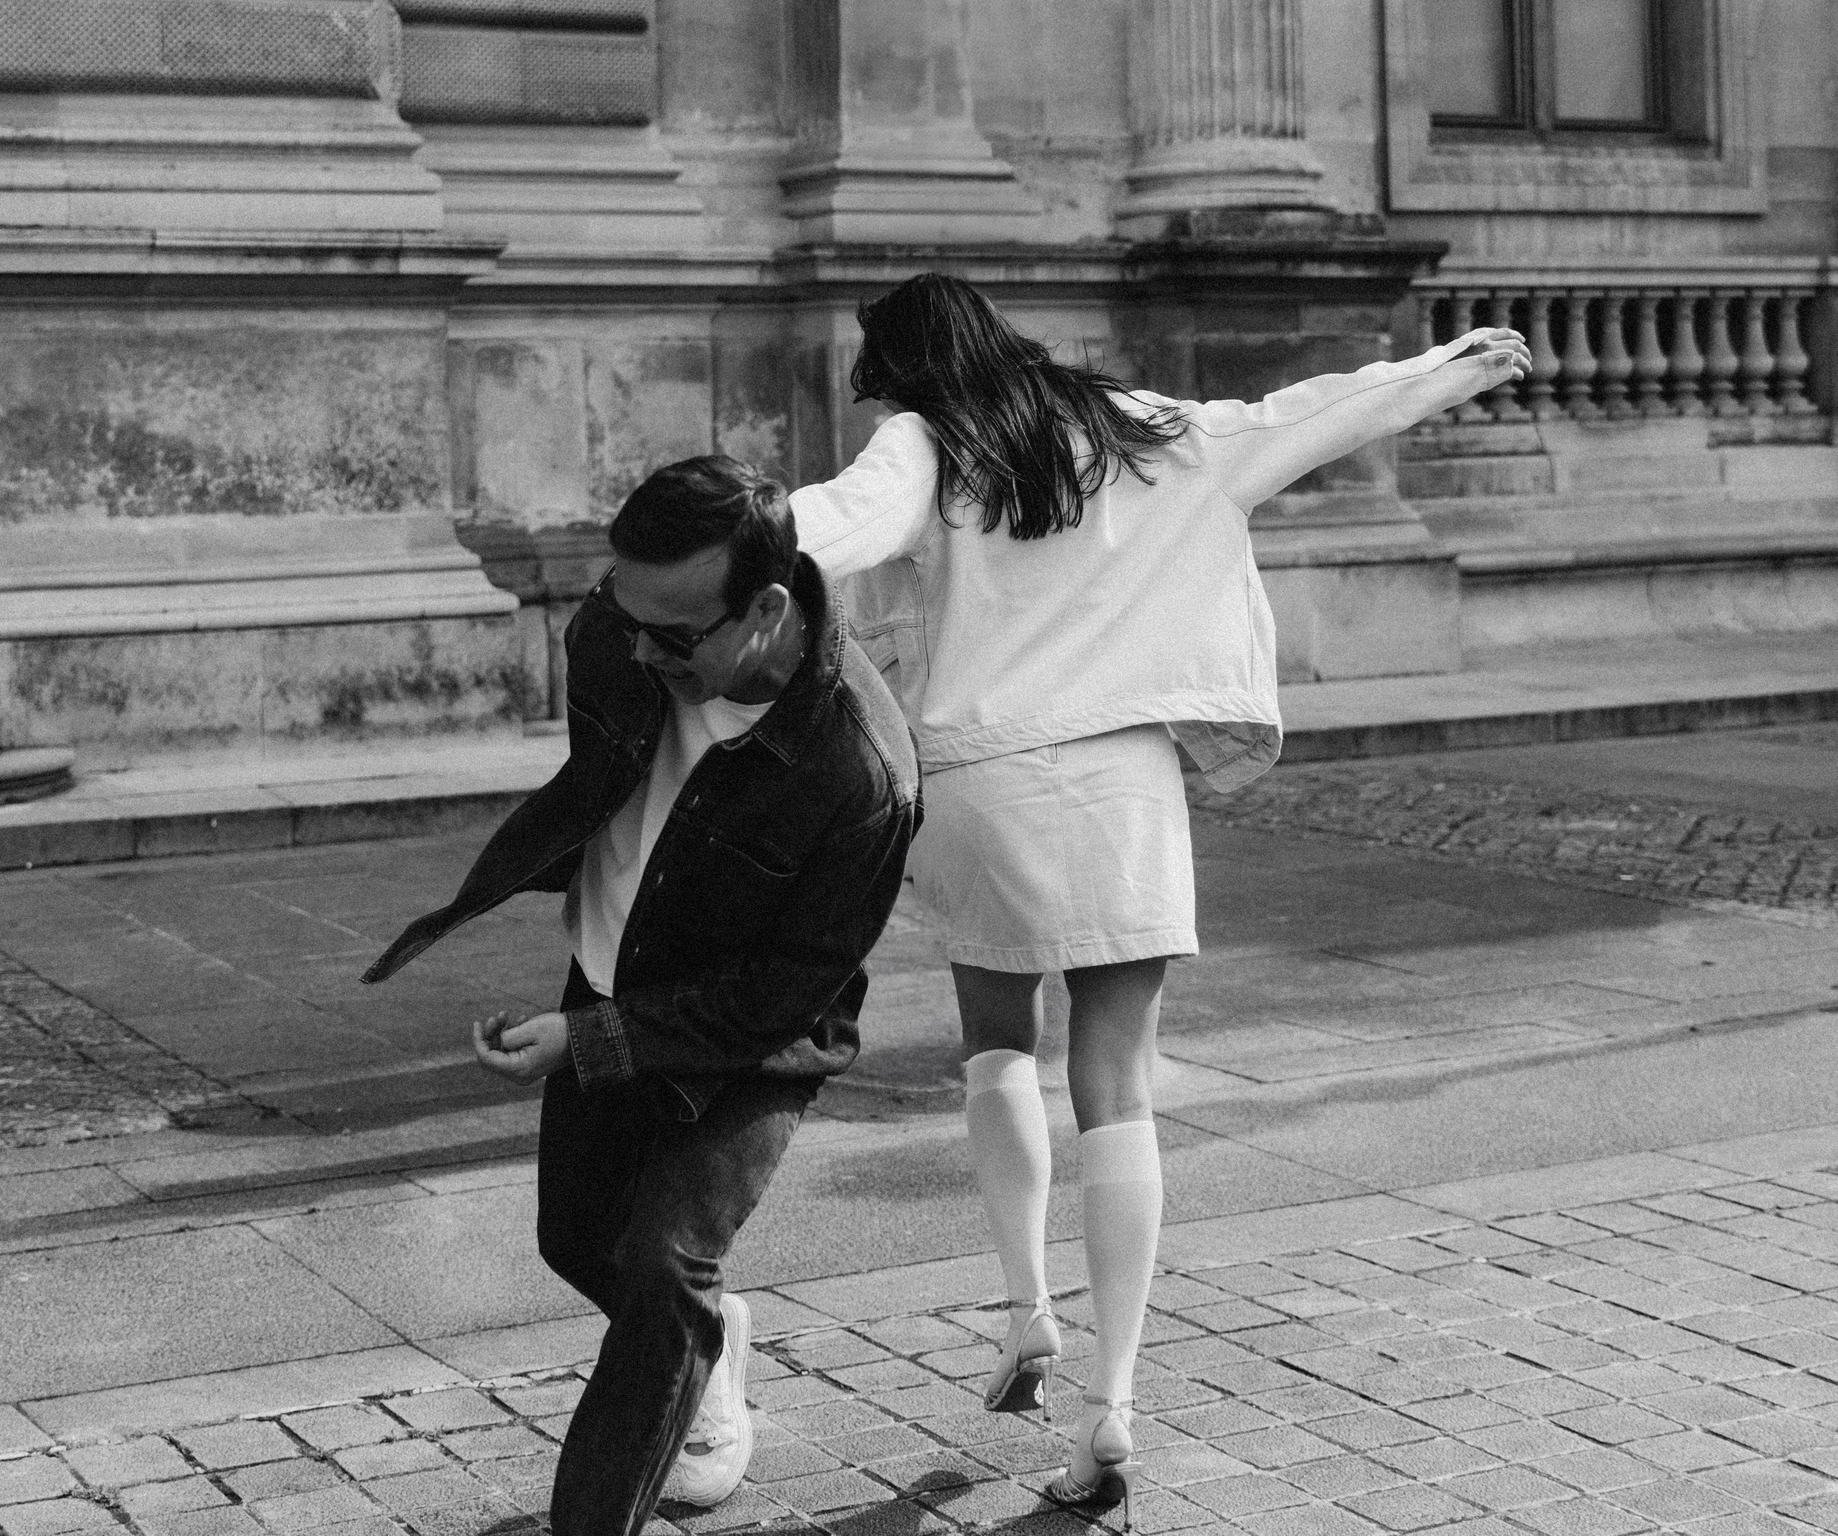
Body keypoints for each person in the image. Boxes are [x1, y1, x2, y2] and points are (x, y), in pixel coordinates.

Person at [788, 274, 1530, 1522]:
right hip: (1119, 770)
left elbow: (844, 525)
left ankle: (1026, 1311)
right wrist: (1446, 366)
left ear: (905, 366)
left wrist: (732, 534)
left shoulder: (924, 438)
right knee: (1117, 1076)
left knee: (994, 1041)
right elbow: (1297, 418)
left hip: (981, 776)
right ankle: (1113, 1402)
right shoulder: (1135, 425)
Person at [364, 456, 920, 1536]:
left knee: (663, 1273)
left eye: (673, 634)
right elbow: (605, 777)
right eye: (623, 613)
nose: (634, 649)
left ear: (765, 611)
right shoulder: (618, 632)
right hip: (610, 975)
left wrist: (592, 1041)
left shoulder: (859, 777)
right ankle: (702, 1343)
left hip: (755, 1040)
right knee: (577, 1240)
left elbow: (773, 997)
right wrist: (586, 1008)